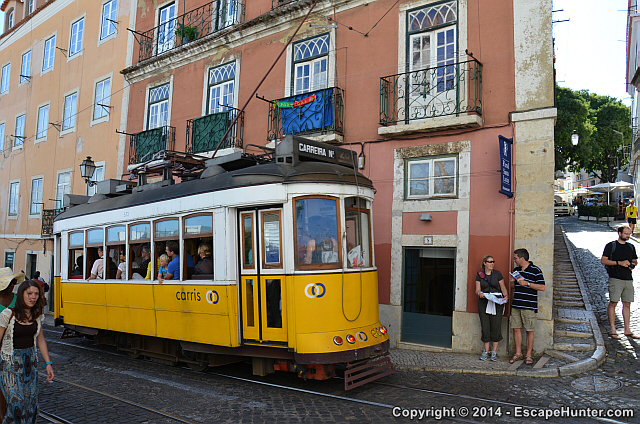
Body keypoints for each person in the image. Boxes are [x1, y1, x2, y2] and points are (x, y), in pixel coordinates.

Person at [0, 280, 54, 423]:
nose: (33, 297)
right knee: (16, 406)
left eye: (36, 294)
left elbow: (41, 340)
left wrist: (48, 363)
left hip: (30, 366)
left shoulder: (37, 315)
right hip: (9, 366)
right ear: (21, 294)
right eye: (29, 293)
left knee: (31, 406)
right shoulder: (8, 314)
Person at [600, 224, 640, 339]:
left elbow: (635, 260)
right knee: (613, 303)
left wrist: (631, 264)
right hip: (615, 278)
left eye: (629, 234)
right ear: (620, 233)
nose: (628, 236)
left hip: (628, 279)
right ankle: (613, 329)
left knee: (627, 304)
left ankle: (627, 329)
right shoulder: (611, 246)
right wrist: (619, 263)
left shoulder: (631, 247)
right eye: (626, 234)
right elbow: (603, 260)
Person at [509, 248, 545, 365]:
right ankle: (518, 353)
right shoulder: (516, 270)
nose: (514, 260)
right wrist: (511, 282)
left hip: (529, 306)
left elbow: (542, 287)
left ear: (522, 258)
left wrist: (528, 283)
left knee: (529, 330)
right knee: (516, 329)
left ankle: (528, 355)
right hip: (516, 305)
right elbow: (514, 287)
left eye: (515, 258)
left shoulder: (536, 270)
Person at [0, 269, 24, 420]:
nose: (13, 285)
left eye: (14, 282)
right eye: (9, 282)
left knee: (15, 390)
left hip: (16, 351)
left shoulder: (19, 300)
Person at [475, 255, 508, 361]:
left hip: (496, 301)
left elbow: (503, 287)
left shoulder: (497, 274)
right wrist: (479, 293)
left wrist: (506, 296)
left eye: (493, 261)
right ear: (484, 263)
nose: (492, 263)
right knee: (485, 326)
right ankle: (486, 351)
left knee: (496, 325)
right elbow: (477, 289)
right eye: (489, 262)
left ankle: (494, 352)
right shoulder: (479, 275)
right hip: (484, 302)